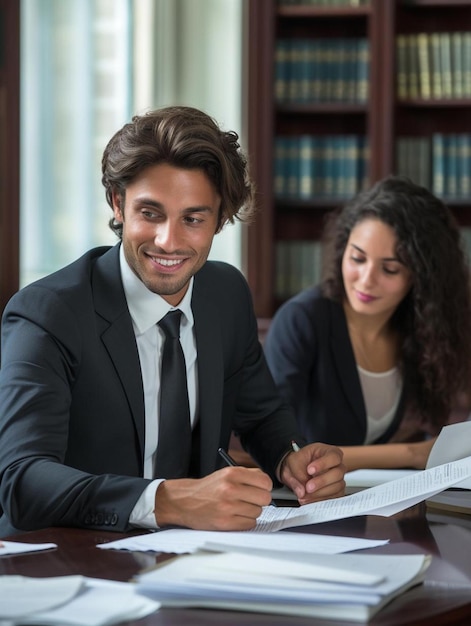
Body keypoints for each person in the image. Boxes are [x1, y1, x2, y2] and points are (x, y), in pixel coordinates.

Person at [0, 106, 345, 536]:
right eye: (150, 213)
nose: (169, 240)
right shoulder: (48, 312)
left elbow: (261, 416)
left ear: (220, 221)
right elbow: (22, 480)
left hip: (194, 559)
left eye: (193, 219)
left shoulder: (225, 294)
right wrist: (166, 501)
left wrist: (292, 459)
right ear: (118, 204)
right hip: (75, 561)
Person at [264, 176, 471, 472]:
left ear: (421, 278)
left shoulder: (418, 328)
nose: (366, 280)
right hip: (307, 504)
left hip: (366, 502)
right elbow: (282, 450)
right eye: (358, 258)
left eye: (390, 268)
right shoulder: (302, 320)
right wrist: (412, 454)